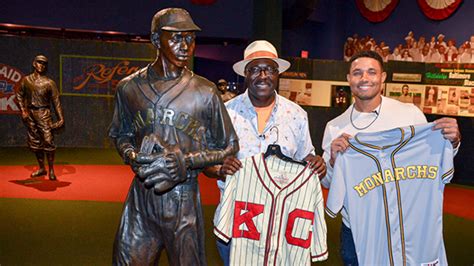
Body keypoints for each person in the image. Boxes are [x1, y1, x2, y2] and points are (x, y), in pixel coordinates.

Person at [108, 8, 239, 265]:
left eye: (190, 38)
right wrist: (130, 153)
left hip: (182, 198)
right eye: (176, 38)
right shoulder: (129, 87)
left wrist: (186, 161)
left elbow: (229, 146)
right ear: (156, 40)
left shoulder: (205, 91)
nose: (185, 45)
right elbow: (120, 134)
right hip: (141, 197)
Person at [320, 50, 461, 265]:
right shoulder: (335, 126)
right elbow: (329, 182)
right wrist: (332, 161)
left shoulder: (409, 113)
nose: (364, 78)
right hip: (359, 227)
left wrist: (452, 142)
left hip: (407, 224)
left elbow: (432, 157)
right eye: (357, 73)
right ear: (349, 79)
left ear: (383, 78)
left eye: (371, 72)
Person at [204, 40, 327, 266]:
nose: (263, 75)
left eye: (269, 69)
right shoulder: (226, 113)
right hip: (236, 223)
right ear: (245, 74)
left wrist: (315, 163)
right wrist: (220, 169)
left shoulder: (296, 114)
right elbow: (207, 162)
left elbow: (305, 158)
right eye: (255, 69)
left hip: (281, 229)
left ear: (277, 74)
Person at [16, 55, 64, 181]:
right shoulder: (26, 80)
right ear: (34, 63)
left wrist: (61, 118)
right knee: (35, 143)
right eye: (39, 63)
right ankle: (42, 168)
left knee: (48, 141)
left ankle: (51, 170)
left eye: (44, 63)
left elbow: (56, 101)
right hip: (30, 114)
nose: (41, 65)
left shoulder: (49, 82)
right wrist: (23, 111)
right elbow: (19, 95)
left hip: (44, 113)